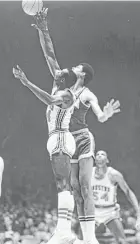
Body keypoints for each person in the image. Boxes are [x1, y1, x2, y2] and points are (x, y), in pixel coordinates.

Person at [32, 8, 121, 244]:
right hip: (66, 139)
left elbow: (99, 117)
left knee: (83, 186)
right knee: (74, 189)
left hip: (80, 137)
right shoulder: (63, 84)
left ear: (82, 73)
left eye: (78, 65)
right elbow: (49, 53)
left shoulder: (82, 93)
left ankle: (89, 238)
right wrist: (44, 29)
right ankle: (75, 235)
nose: (73, 66)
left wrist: (106, 114)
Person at [13, 65, 79, 244]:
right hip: (57, 138)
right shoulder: (58, 85)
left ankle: (64, 231)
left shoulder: (66, 95)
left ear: (63, 80)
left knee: (63, 184)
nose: (56, 70)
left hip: (60, 137)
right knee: (62, 184)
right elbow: (50, 56)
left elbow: (50, 100)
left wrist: (26, 82)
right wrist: (43, 34)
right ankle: (63, 230)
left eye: (60, 72)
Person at [91, 150, 140, 244]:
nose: (100, 156)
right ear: (95, 160)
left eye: (102, 154)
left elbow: (128, 192)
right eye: (97, 154)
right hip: (93, 211)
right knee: (82, 239)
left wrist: (138, 211)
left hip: (110, 212)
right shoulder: (89, 173)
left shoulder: (114, 174)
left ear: (107, 160)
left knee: (122, 241)